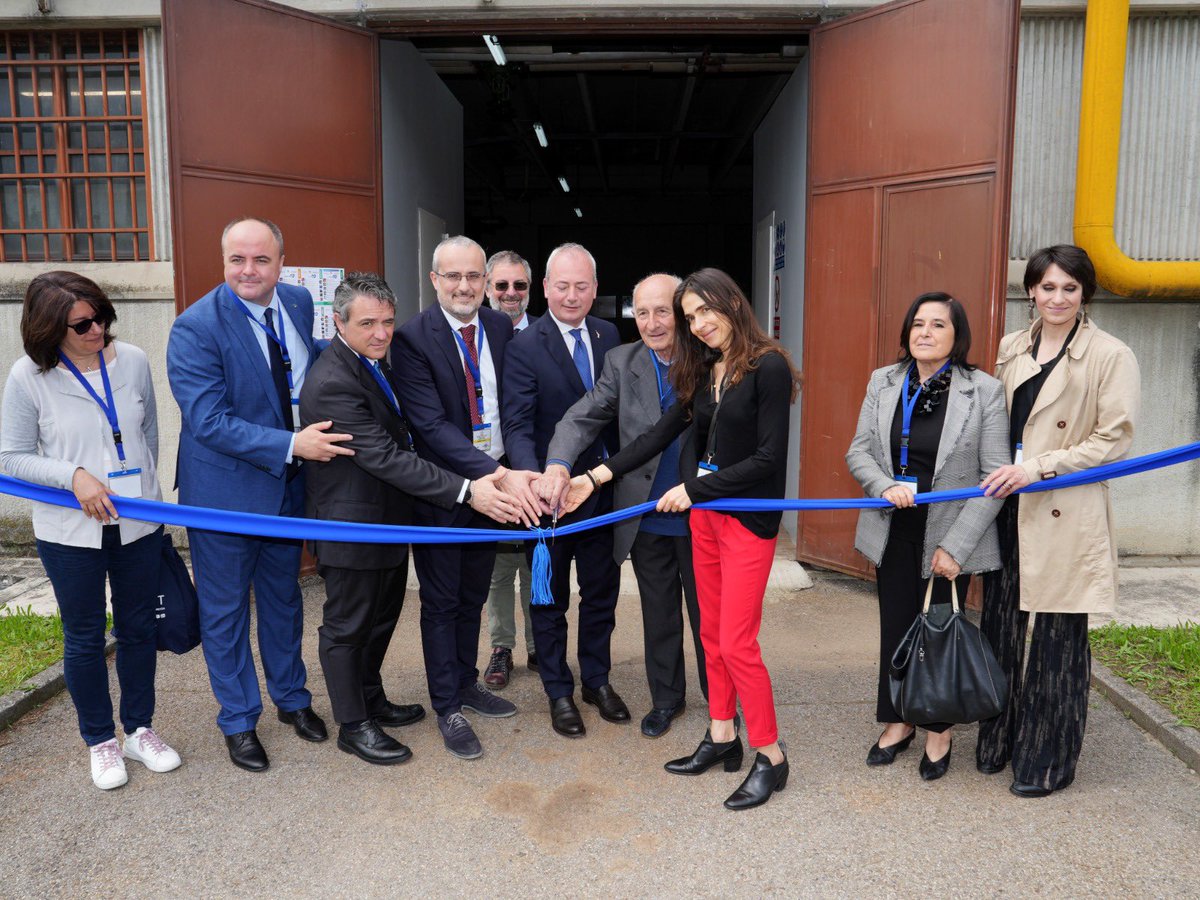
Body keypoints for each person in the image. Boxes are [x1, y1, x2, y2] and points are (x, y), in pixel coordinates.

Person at [561, 268, 801, 811]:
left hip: (744, 520)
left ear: (731, 303)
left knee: (738, 642)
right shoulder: (708, 369)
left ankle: (771, 754)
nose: (699, 324)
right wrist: (593, 477)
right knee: (713, 638)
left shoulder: (769, 368)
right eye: (690, 316)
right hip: (707, 522)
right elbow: (657, 435)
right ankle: (722, 736)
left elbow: (769, 460)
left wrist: (695, 488)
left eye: (704, 311)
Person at [300, 272, 522, 765]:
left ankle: (372, 700)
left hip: (389, 519)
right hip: (351, 523)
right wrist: (468, 491)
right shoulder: (335, 378)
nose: (381, 333)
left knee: (380, 619)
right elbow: (385, 456)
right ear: (338, 321)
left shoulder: (372, 362)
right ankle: (353, 725)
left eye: (387, 321)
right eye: (367, 323)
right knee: (347, 626)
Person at [167, 217, 354, 773]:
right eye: (237, 260)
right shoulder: (194, 328)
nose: (248, 271)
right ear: (223, 261)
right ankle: (239, 721)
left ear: (281, 261)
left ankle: (292, 700)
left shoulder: (296, 301)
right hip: (224, 495)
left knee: (284, 600)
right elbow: (208, 420)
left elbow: (309, 362)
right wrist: (292, 443)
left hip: (288, 488)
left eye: (261, 260)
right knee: (224, 613)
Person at [0, 271, 181, 790]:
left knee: (139, 628)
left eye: (101, 316)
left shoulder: (134, 361)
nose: (97, 329)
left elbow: (146, 434)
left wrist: (148, 494)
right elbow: (12, 456)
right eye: (82, 324)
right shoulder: (27, 377)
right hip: (69, 531)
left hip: (137, 521)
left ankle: (139, 729)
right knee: (83, 637)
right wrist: (72, 476)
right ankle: (100, 741)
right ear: (49, 327)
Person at [977, 244, 1140, 798]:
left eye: (1070, 288)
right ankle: (999, 740)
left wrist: (1041, 468)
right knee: (999, 627)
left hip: (1063, 511)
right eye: (1048, 287)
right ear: (1032, 291)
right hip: (1007, 508)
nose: (1058, 298)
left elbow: (1113, 440)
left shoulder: (1110, 354)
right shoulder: (1011, 346)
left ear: (1085, 293)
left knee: (1056, 641)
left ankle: (1047, 758)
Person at [845, 292, 1008, 780]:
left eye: (938, 325)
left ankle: (938, 733)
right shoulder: (885, 381)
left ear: (957, 336)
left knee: (939, 632)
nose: (925, 332)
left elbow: (996, 476)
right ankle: (897, 721)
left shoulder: (983, 390)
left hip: (949, 533)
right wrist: (884, 486)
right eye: (918, 323)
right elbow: (858, 452)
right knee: (895, 628)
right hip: (892, 527)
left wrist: (956, 548)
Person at [539, 272, 708, 738]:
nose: (652, 323)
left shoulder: (710, 358)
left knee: (710, 619)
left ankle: (722, 705)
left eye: (663, 312)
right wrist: (558, 463)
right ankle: (666, 701)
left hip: (705, 512)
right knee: (659, 615)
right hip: (646, 514)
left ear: (681, 314)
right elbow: (583, 415)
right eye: (643, 312)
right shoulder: (621, 360)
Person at [392, 236, 541, 759]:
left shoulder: (501, 328)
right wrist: (491, 475)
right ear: (434, 280)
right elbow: (430, 425)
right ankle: (446, 706)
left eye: (473, 276)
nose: (464, 286)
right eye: (452, 276)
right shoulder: (412, 338)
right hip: (446, 492)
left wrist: (517, 472)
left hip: (496, 485)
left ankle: (466, 681)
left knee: (475, 591)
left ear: (485, 280)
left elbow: (514, 411)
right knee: (441, 601)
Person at [502, 242, 629, 738]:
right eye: (562, 286)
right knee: (548, 600)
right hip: (549, 498)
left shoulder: (610, 335)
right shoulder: (525, 345)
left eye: (581, 286)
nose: (571, 296)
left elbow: (615, 419)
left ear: (595, 289)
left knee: (602, 594)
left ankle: (596, 679)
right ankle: (558, 689)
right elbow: (516, 423)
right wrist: (533, 481)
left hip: (600, 494)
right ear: (545, 289)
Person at [481, 249, 538, 687]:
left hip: (538, 470)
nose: (510, 293)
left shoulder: (545, 335)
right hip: (489, 469)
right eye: (501, 285)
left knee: (539, 560)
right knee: (501, 568)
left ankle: (541, 645)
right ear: (486, 287)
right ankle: (502, 647)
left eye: (519, 285)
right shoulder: (471, 334)